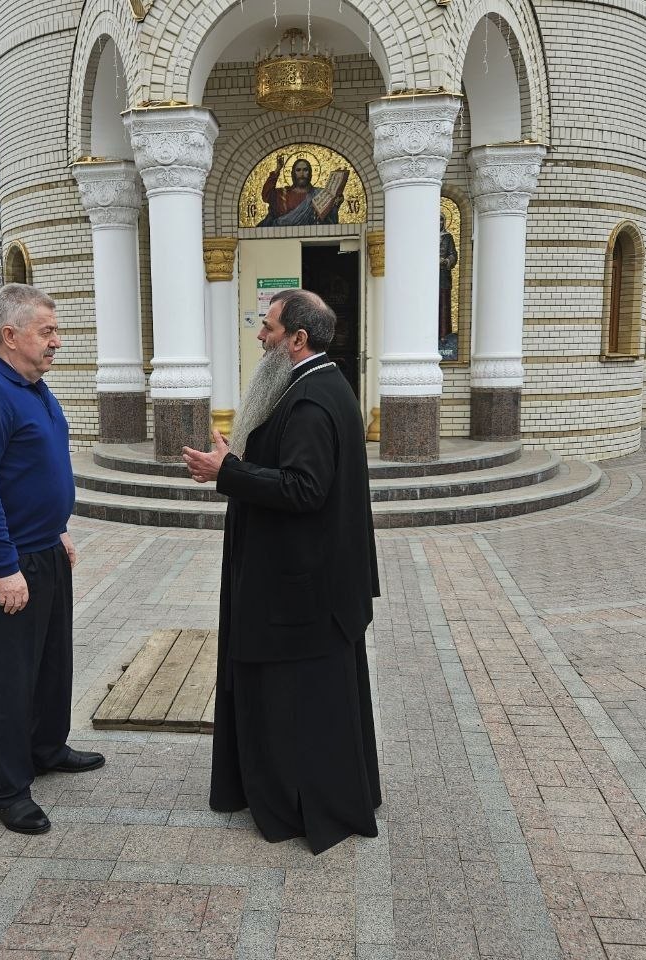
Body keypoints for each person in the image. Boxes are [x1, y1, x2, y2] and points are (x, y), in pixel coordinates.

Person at [181, 289, 381, 855]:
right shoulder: (316, 384)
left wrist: (230, 471)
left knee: (298, 702)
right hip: (310, 580)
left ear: (297, 338)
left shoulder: (312, 400)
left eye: (268, 327)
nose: (261, 336)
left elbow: (304, 489)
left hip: (300, 592)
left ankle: (297, 804)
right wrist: (238, 462)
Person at [0, 283, 104, 835]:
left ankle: (46, 748)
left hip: (45, 549)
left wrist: (56, 529)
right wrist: (3, 566)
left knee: (50, 662)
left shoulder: (34, 386)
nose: (57, 341)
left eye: (57, 330)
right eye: (48, 331)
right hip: (9, 560)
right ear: (10, 336)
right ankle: (8, 789)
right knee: (9, 677)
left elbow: (35, 471)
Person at [258, 156, 345, 227]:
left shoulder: (320, 194)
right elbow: (267, 195)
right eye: (298, 170)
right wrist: (277, 170)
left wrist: (336, 204)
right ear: (293, 173)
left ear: (310, 173)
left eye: (305, 170)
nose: (302, 173)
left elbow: (328, 219)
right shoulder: (283, 194)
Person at [439, 213, 458, 344]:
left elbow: (453, 254)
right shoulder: (426, 235)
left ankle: (443, 334)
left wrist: (446, 261)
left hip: (443, 275)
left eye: (441, 220)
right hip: (428, 275)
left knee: (443, 303)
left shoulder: (448, 237)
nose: (439, 223)